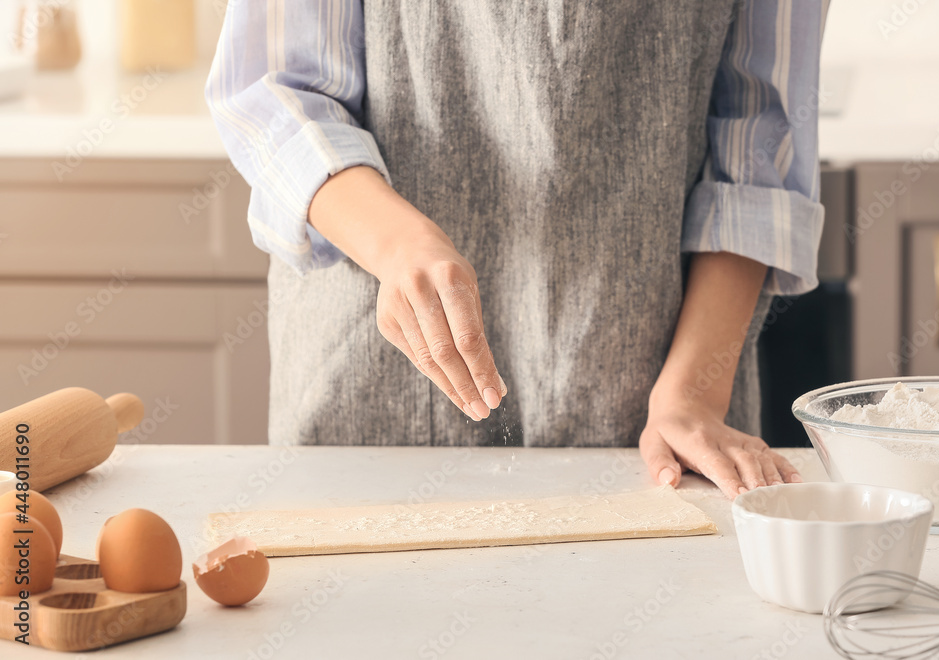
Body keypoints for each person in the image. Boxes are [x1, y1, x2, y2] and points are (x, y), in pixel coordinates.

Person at [207, 0, 827, 498]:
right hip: (363, 386)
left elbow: (759, 140)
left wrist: (692, 394)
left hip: (656, 405)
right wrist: (397, 243)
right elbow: (275, 92)